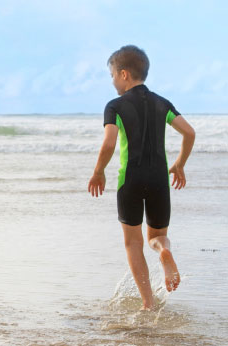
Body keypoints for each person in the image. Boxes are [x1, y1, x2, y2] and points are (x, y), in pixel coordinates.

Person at [88, 45, 195, 310]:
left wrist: (98, 171)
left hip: (131, 180)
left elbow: (109, 143)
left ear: (124, 74)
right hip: (159, 179)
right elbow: (190, 133)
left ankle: (148, 302)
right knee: (156, 237)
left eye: (112, 75)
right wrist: (179, 164)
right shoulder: (162, 103)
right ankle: (163, 251)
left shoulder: (115, 106)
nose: (112, 81)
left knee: (133, 243)